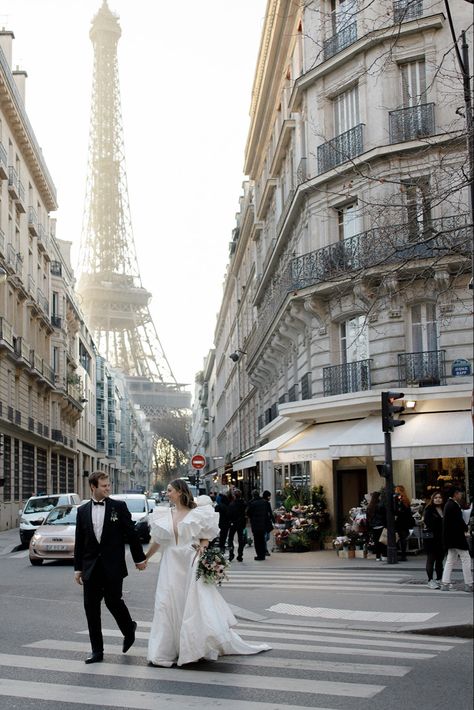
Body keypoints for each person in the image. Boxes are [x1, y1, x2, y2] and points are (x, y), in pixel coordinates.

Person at [145, 479, 271, 666]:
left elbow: (206, 537)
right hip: (171, 563)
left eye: (170, 490)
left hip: (190, 560)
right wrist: (145, 558)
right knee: (167, 603)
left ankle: (193, 647)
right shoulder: (163, 514)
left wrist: (203, 548)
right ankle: (167, 649)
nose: (167, 493)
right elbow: (158, 540)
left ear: (180, 492)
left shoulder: (198, 513)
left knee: (192, 604)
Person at [74, 471, 147, 664]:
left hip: (113, 566)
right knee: (91, 608)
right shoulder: (82, 511)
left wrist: (139, 558)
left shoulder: (118, 507)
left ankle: (128, 628)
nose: (108, 488)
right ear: (93, 487)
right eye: (104, 485)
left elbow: (131, 534)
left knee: (113, 602)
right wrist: (78, 568)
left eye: (108, 485)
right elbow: (80, 542)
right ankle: (97, 651)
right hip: (91, 567)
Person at [440, 487, 473, 592]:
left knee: (450, 560)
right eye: (460, 494)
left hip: (450, 538)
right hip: (457, 538)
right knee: (466, 558)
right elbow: (459, 521)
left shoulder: (448, 505)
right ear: (455, 494)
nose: (461, 495)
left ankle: (445, 583)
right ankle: (469, 583)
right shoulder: (454, 505)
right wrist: (465, 527)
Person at [422, 491, 445, 588]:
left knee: (440, 560)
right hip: (431, 539)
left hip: (442, 539)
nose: (438, 499)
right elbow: (428, 523)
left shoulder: (444, 509)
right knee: (431, 559)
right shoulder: (429, 509)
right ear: (433, 499)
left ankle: (439, 579)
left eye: (440, 497)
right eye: (436, 497)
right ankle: (430, 580)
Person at [246, 489, 272, 561]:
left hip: (255, 524)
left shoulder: (252, 503)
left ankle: (259, 555)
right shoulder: (264, 502)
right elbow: (268, 512)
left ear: (253, 495)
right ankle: (263, 554)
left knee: (257, 541)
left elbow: (248, 513)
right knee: (262, 539)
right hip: (263, 524)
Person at [394, 485, 414, 561]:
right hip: (406, 522)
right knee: (403, 539)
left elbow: (397, 510)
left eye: (396, 490)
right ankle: (403, 555)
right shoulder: (406, 499)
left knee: (399, 538)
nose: (395, 491)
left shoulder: (399, 499)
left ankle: (402, 556)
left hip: (400, 521)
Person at [366, 490, 387, 561]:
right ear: (378, 497)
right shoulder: (381, 505)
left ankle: (378, 556)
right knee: (383, 541)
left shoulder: (370, 506)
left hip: (373, 526)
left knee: (376, 542)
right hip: (381, 525)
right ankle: (384, 555)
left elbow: (368, 517)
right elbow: (384, 515)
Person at [227, 489, 247, 562]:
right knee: (240, 539)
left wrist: (230, 522)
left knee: (230, 539)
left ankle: (231, 553)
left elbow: (229, 514)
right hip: (241, 523)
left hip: (233, 523)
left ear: (234, 496)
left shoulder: (232, 504)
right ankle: (240, 555)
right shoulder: (244, 503)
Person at [262, 490, 275, 557]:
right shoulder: (266, 503)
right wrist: (273, 520)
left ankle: (263, 546)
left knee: (267, 537)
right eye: (269, 496)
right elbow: (270, 512)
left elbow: (270, 512)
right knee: (265, 536)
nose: (270, 497)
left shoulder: (266, 503)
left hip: (266, 521)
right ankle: (265, 550)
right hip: (265, 521)